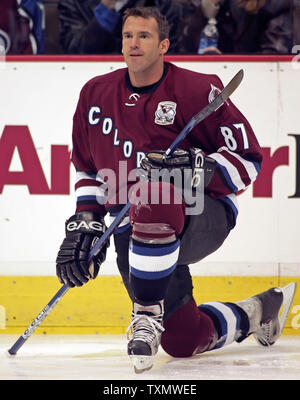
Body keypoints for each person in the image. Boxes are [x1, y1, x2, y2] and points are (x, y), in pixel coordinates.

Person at [55, 6, 296, 373]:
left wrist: (195, 170)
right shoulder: (95, 95)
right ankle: (260, 310)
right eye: (127, 36)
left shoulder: (198, 89)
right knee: (183, 340)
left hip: (203, 215)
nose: (134, 44)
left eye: (144, 36)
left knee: (156, 193)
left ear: (164, 44)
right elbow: (90, 169)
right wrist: (86, 221)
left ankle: (146, 313)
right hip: (132, 226)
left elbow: (249, 160)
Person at [57, 0, 185, 54]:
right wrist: (106, 8)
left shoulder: (163, 6)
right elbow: (74, 52)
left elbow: (167, 55)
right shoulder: (73, 3)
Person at [179, 0, 293, 54]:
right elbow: (185, 47)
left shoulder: (276, 5)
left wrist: (228, 62)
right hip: (219, 77)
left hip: (260, 78)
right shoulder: (219, 4)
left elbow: (274, 55)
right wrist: (208, 9)